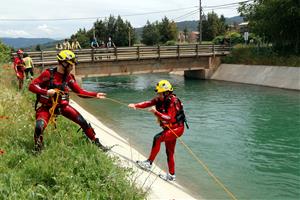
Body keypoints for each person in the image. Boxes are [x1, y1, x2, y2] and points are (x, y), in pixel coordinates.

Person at [29, 50, 108, 152]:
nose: (73, 67)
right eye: (71, 65)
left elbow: (80, 92)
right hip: (47, 107)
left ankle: (96, 142)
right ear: (64, 64)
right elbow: (31, 86)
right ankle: (38, 149)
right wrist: (46, 92)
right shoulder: (48, 74)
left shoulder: (69, 77)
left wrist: (95, 95)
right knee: (39, 127)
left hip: (63, 107)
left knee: (83, 122)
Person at [128, 80, 188, 181]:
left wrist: (155, 112)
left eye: (160, 93)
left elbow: (168, 118)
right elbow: (149, 103)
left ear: (167, 93)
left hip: (177, 129)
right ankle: (171, 175)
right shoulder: (160, 99)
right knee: (169, 152)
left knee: (157, 138)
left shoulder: (173, 101)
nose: (158, 95)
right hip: (170, 128)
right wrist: (136, 105)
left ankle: (149, 163)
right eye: (158, 93)